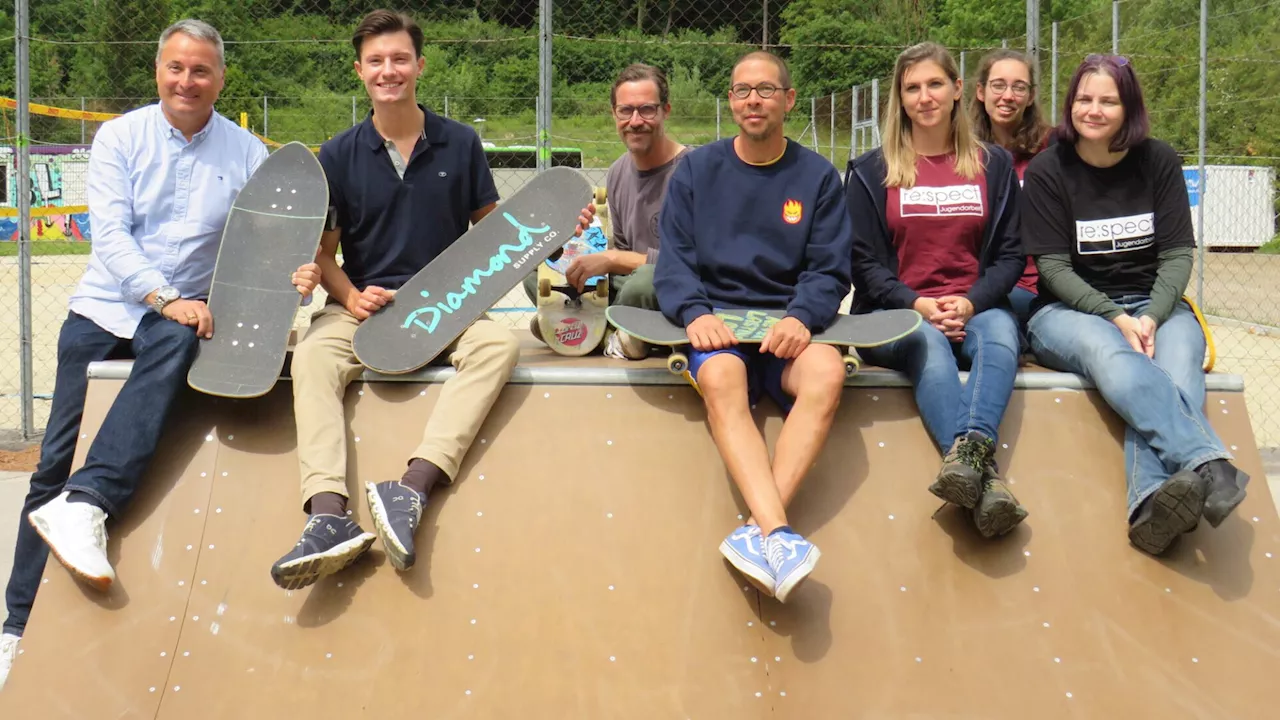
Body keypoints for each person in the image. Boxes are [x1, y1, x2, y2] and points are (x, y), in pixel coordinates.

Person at [0, 19, 320, 689]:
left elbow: (263, 249)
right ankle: (15, 627)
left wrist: (294, 279)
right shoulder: (120, 137)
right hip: (109, 306)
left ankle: (88, 502)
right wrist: (163, 295)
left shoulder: (245, 153)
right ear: (157, 71)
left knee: (175, 339)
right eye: (176, 67)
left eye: (201, 70)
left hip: (183, 317)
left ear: (221, 79)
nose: (187, 81)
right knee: (53, 460)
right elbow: (110, 236)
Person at [268, 10, 591, 589]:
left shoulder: (460, 143)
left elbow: (497, 229)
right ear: (359, 71)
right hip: (364, 306)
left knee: (497, 343)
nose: (388, 70)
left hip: (450, 306)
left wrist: (554, 226)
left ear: (419, 65)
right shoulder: (337, 154)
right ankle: (327, 517)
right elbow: (323, 252)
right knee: (314, 356)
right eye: (375, 61)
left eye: (398, 59)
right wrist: (348, 293)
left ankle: (412, 489)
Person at [1021, 54, 1248, 555]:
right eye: (1084, 98)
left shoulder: (1158, 160)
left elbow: (1176, 254)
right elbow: (1054, 270)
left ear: (1129, 109)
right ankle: (1208, 463)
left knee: (1178, 363)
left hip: (1155, 303)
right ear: (1070, 104)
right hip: (1069, 312)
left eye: (1108, 100)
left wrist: (1150, 315)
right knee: (1114, 357)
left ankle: (1150, 506)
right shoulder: (1047, 170)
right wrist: (1117, 317)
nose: (1093, 109)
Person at [654, 50, 852, 603]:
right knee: (721, 380)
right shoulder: (696, 170)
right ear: (731, 102)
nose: (753, 100)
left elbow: (830, 268)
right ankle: (780, 534)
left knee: (828, 372)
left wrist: (802, 316)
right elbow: (674, 260)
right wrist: (695, 312)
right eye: (742, 91)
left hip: (786, 327)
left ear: (788, 100)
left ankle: (760, 532)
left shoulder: (816, 176)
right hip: (719, 325)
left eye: (766, 90)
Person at [845, 42, 1029, 538]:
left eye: (934, 84)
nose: (924, 97)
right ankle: (986, 480)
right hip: (897, 312)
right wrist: (916, 303)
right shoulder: (870, 170)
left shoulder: (992, 165)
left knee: (1000, 336)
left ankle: (969, 457)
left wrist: (971, 301)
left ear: (956, 91)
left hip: (977, 305)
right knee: (927, 341)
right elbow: (861, 263)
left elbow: (1011, 255)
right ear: (900, 99)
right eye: (912, 88)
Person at [524, 63, 688, 360]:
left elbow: (696, 264)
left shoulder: (694, 170)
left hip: (675, 288)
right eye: (625, 111)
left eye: (647, 110)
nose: (635, 121)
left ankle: (583, 330)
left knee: (647, 279)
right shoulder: (618, 172)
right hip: (632, 288)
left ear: (666, 110)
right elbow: (620, 258)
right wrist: (581, 242)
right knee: (538, 270)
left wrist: (611, 258)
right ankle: (619, 337)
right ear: (614, 114)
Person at [970, 49, 1053, 327]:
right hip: (982, 282)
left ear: (1030, 96)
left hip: (1037, 285)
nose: (1008, 95)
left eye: (1019, 87)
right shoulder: (961, 152)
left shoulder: (1053, 148)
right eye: (998, 85)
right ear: (981, 91)